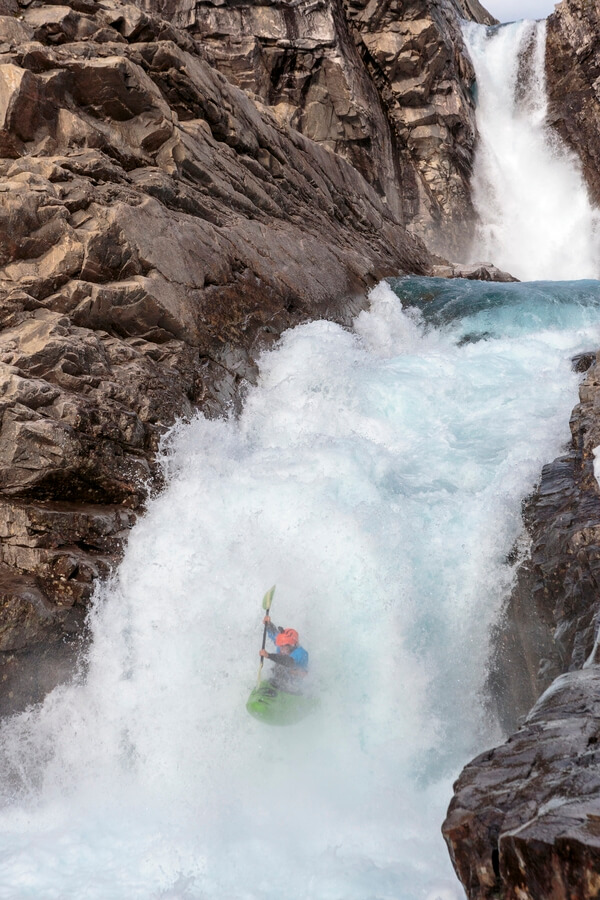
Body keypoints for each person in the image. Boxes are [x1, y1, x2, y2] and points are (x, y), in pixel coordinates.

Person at [259, 615, 308, 692]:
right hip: (283, 675)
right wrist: (268, 624)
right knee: (277, 668)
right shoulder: (282, 642)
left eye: (284, 646)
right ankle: (273, 685)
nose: (281, 648)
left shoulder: (301, 653)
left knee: (282, 667)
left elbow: (288, 661)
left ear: (292, 646)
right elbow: (274, 633)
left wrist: (269, 655)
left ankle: (281, 690)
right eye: (280, 645)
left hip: (295, 683)